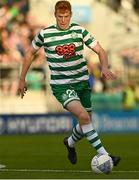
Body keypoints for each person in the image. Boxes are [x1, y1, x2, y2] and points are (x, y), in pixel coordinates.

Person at [18, 0, 121, 166]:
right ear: (55, 15)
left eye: (66, 16)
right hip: (62, 86)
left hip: (82, 83)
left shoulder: (79, 31)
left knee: (86, 121)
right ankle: (106, 155)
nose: (63, 20)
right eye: (60, 16)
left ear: (71, 15)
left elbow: (100, 50)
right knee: (83, 117)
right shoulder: (45, 34)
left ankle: (70, 142)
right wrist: (22, 78)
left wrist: (104, 67)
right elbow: (30, 53)